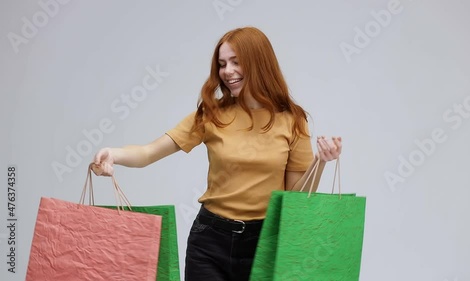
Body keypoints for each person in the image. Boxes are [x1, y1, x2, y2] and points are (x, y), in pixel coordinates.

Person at [91, 26, 342, 281]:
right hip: (209, 242)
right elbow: (148, 153)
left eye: (236, 62)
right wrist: (113, 154)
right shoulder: (211, 114)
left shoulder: (292, 120)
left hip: (264, 243)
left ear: (259, 63)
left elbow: (294, 198)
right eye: (222, 64)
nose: (227, 72)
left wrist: (320, 162)